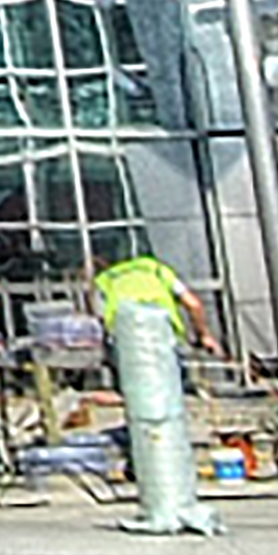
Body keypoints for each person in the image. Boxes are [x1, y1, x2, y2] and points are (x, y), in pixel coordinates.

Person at [85, 229, 216, 536]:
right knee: (169, 409)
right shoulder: (156, 269)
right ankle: (172, 480)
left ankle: (145, 468)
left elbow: (99, 320)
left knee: (140, 409)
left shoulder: (105, 282)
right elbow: (193, 304)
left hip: (130, 347)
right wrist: (203, 335)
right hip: (164, 342)